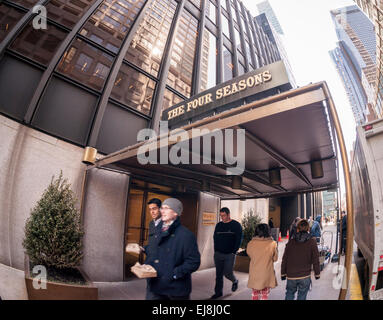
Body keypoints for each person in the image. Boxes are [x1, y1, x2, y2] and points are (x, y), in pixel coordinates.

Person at [145, 198, 201, 300]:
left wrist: (174, 274)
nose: (162, 211)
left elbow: (194, 262)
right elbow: (154, 251)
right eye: (162, 208)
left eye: (166, 208)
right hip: (156, 287)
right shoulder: (157, 231)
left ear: (176, 213)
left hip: (176, 290)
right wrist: (146, 266)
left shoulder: (186, 235)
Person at [281, 219, 320, 300]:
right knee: (302, 296)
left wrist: (283, 273)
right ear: (308, 229)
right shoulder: (312, 242)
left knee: (289, 294)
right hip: (305, 276)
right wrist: (317, 274)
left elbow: (285, 259)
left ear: (297, 229)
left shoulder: (291, 242)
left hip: (291, 276)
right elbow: (316, 259)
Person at [211, 207, 243, 299]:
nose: (222, 218)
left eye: (224, 215)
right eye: (221, 216)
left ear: (228, 215)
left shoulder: (236, 225)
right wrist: (215, 250)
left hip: (230, 254)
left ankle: (235, 281)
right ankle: (218, 292)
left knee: (228, 273)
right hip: (218, 253)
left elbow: (239, 239)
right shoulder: (219, 225)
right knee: (218, 275)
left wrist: (234, 251)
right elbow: (215, 238)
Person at [247, 224, 278, 300]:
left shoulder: (250, 243)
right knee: (264, 295)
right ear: (268, 231)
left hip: (254, 273)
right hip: (266, 274)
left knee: (255, 294)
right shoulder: (273, 244)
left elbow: (250, 255)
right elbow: (275, 259)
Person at [143, 198, 162, 300]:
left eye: (154, 209)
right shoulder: (151, 223)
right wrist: (143, 248)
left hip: (160, 265)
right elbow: (152, 244)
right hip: (150, 262)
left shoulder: (165, 224)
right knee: (149, 290)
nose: (152, 212)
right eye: (150, 209)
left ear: (160, 209)